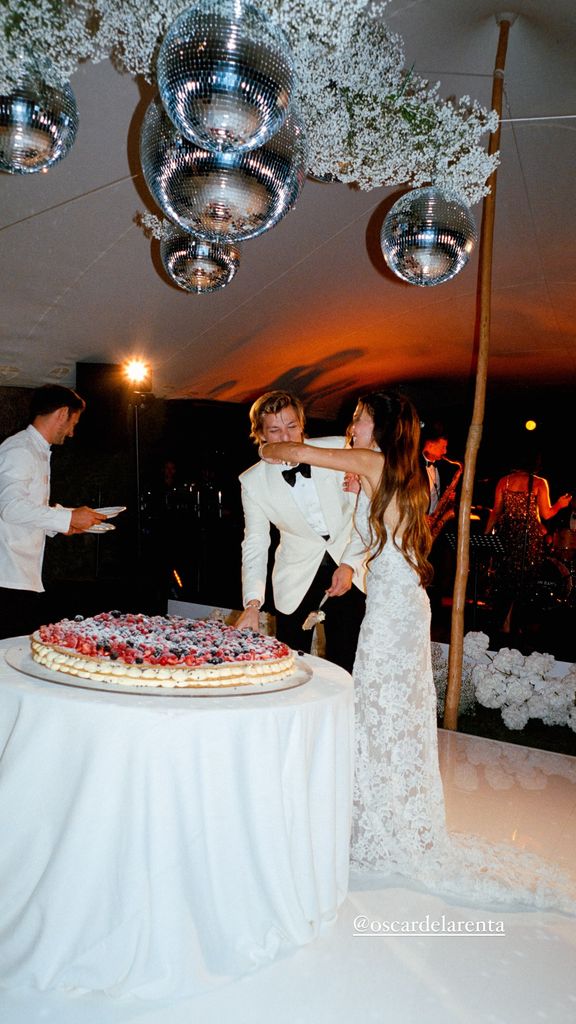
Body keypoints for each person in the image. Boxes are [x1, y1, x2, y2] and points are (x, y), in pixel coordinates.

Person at [259, 389, 574, 910]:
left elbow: (290, 453)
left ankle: (381, 825)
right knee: (386, 713)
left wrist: (275, 442)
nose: (350, 426)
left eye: (357, 420)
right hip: (395, 602)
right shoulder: (386, 467)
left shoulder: (372, 459)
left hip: (395, 609)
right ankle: (383, 818)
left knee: (380, 710)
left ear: (376, 427)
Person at [235, 390, 366, 673]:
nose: (286, 438)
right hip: (295, 577)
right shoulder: (252, 482)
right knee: (291, 664)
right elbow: (256, 542)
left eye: (292, 426)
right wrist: (253, 603)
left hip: (349, 566)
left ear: (302, 424)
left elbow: (363, 512)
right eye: (275, 430)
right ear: (261, 435)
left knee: (346, 661)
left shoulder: (340, 448)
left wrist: (350, 563)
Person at [0, 385, 106, 639]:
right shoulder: (21, 450)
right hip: (7, 577)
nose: (71, 432)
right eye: (73, 422)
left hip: (18, 576)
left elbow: (28, 509)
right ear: (62, 413)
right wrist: (67, 517)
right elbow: (10, 508)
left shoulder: (34, 450)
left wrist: (62, 524)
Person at [484, 461, 571, 633]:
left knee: (505, 583)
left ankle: (500, 627)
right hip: (528, 541)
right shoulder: (539, 482)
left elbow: (495, 511)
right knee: (525, 585)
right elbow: (546, 513)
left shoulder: (504, 481)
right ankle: (517, 629)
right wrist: (560, 505)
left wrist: (486, 537)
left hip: (507, 538)